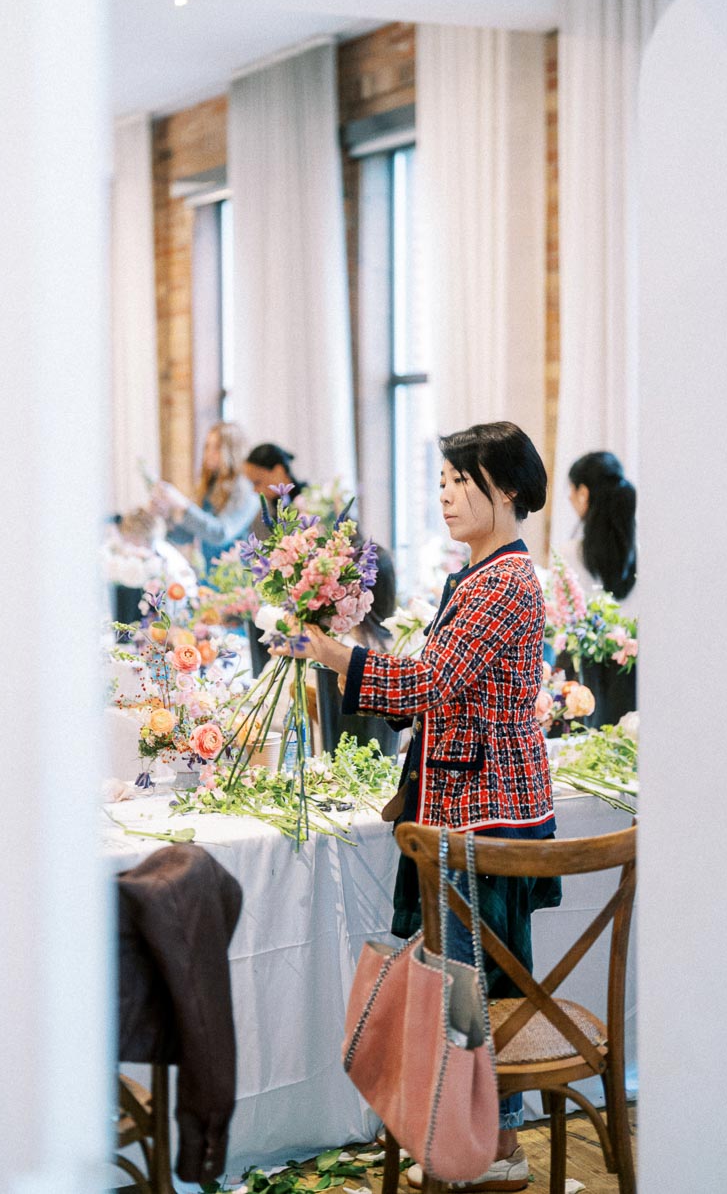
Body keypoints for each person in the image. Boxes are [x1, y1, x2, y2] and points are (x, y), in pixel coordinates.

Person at [276, 421, 560, 1190]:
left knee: (473, 989)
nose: (444, 494)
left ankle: (487, 1147)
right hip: (468, 805)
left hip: (482, 813)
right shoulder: (476, 573)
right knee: (461, 984)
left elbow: (427, 685)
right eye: (440, 480)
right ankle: (468, 1135)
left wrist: (335, 652)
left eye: (459, 480)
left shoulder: (501, 581)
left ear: (505, 488)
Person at [149, 422, 258, 566]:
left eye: (217, 448)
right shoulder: (209, 487)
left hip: (237, 579)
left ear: (232, 451)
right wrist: (166, 517)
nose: (209, 453)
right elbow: (186, 537)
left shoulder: (246, 490)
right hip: (209, 577)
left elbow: (220, 534)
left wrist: (184, 505)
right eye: (207, 446)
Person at [566, 451, 636, 607]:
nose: (570, 497)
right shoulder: (639, 552)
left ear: (583, 493)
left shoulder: (571, 554)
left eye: (571, 489)